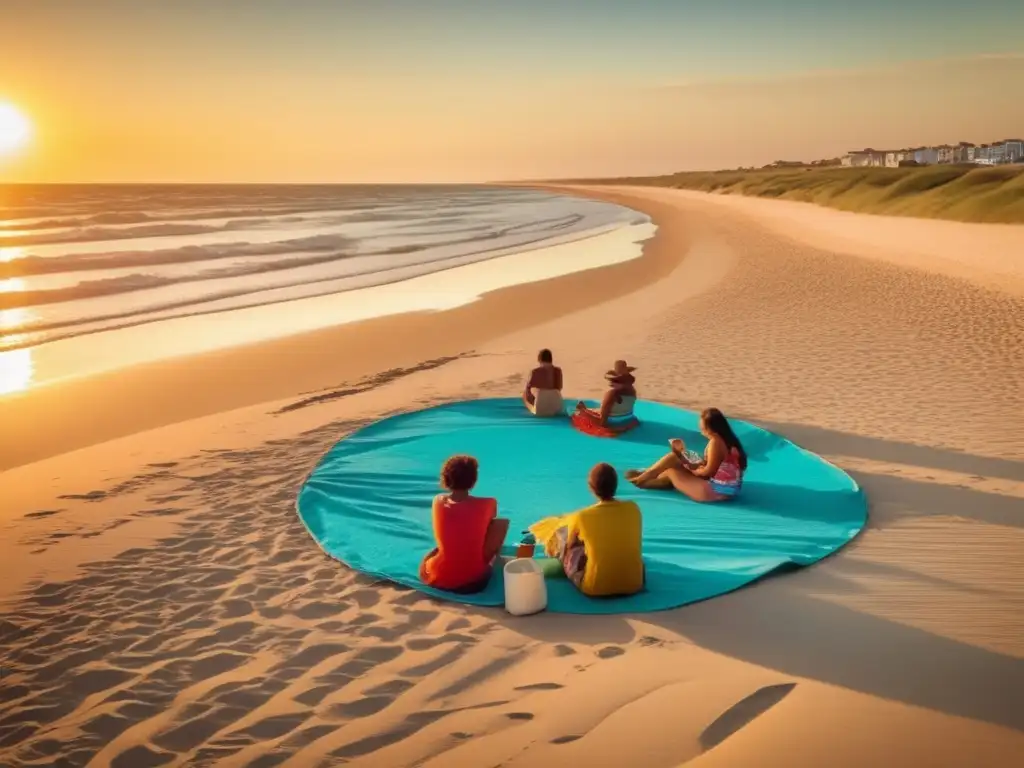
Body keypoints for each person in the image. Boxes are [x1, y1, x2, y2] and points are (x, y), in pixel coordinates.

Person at [530, 463, 644, 598]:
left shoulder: (582, 516)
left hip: (595, 587)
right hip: (634, 583)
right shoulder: (633, 508)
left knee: (563, 538)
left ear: (591, 488)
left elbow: (570, 545)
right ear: (616, 485)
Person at [420, 455, 509, 593]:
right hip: (475, 582)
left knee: (437, 550)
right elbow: (490, 520)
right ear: (473, 480)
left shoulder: (437, 501)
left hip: (438, 578)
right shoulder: (488, 503)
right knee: (500, 524)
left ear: (446, 478)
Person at [625, 408, 747, 502]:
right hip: (728, 489)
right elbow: (720, 466)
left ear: (710, 428)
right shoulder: (728, 439)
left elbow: (707, 473)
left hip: (716, 492)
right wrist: (687, 460)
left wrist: (691, 467)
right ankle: (647, 474)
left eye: (702, 426)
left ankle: (641, 481)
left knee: (671, 471)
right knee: (674, 457)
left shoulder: (716, 442)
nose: (700, 428)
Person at [523, 348, 564, 416]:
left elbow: (528, 392)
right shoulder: (558, 371)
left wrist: (532, 402)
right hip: (556, 398)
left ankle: (533, 409)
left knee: (525, 394)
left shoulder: (535, 372)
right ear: (551, 359)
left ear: (539, 359)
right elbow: (559, 387)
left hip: (541, 399)